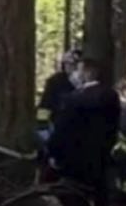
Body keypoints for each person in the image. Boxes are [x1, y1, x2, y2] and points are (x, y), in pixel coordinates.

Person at [49, 58, 121, 206]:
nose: (75, 74)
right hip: (103, 155)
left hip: (76, 159)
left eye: (78, 70)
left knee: (75, 195)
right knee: (102, 193)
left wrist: (54, 152)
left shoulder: (74, 99)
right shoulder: (111, 95)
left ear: (87, 73)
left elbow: (62, 130)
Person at [37, 48, 82, 176]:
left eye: (74, 65)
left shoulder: (83, 83)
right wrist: (42, 127)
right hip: (57, 125)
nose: (71, 67)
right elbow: (45, 105)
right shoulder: (55, 82)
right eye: (68, 64)